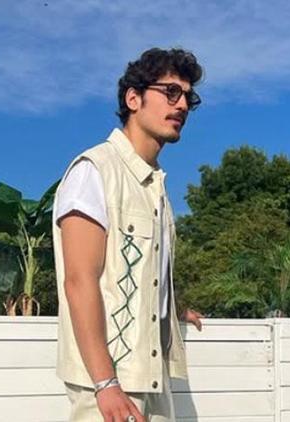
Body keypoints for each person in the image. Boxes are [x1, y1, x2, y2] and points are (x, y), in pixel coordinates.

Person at [53, 48, 205, 422]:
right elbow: (79, 281)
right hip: (109, 385)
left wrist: (171, 309)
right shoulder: (95, 171)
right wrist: (105, 384)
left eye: (188, 97)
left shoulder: (155, 188)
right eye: (171, 92)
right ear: (133, 98)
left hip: (152, 378)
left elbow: (138, 276)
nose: (182, 105)